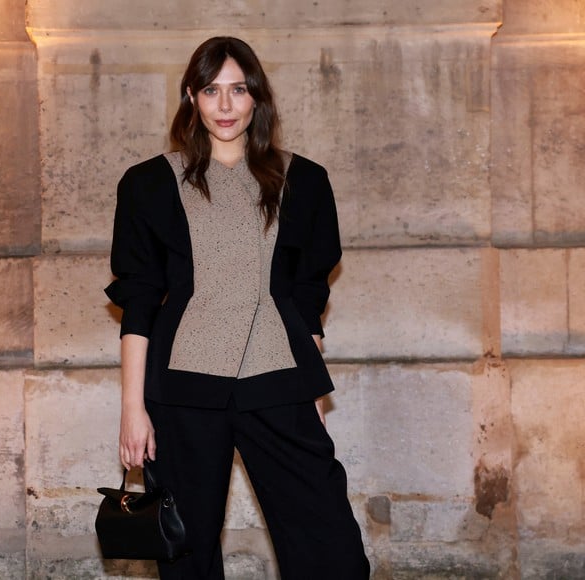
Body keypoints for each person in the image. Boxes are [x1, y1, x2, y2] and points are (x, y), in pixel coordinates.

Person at [105, 36, 370, 580]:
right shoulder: (148, 184)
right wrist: (133, 409)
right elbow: (139, 303)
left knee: (329, 544)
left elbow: (306, 295)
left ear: (257, 97)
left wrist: (309, 385)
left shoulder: (305, 180)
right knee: (187, 552)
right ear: (191, 96)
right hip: (181, 389)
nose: (225, 106)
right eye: (211, 90)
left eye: (239, 90)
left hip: (278, 379)